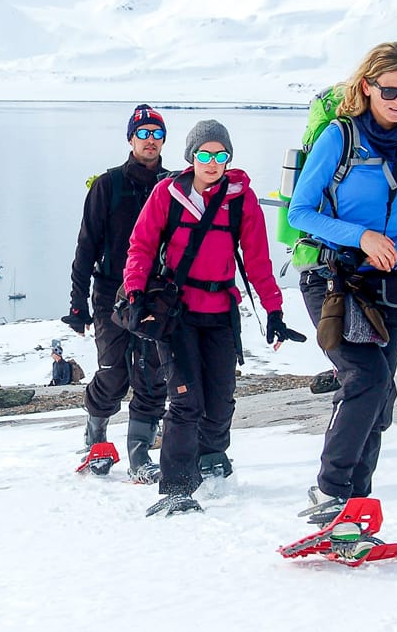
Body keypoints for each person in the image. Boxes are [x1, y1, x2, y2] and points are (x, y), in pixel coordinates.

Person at [287, 41, 397, 543]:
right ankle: (330, 494)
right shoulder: (338, 137)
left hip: (385, 281)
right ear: (367, 87)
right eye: (390, 90)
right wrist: (363, 238)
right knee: (366, 378)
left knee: (382, 398)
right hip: (329, 277)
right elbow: (299, 213)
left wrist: (392, 247)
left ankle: (354, 510)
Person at [125, 119, 306, 516]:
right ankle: (176, 486)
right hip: (179, 315)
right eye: (205, 154)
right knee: (186, 401)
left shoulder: (242, 199)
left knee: (221, 400)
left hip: (222, 313)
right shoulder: (167, 194)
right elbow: (140, 246)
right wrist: (136, 293)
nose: (213, 162)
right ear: (191, 157)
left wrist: (274, 309)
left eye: (220, 155)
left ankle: (211, 456)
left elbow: (258, 261)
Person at [62, 104, 169, 484]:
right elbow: (86, 246)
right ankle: (96, 440)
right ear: (130, 139)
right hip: (111, 292)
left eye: (157, 133)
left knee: (153, 374)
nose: (151, 140)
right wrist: (78, 305)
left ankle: (140, 453)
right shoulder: (107, 185)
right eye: (144, 133)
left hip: (158, 294)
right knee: (112, 371)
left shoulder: (173, 184)